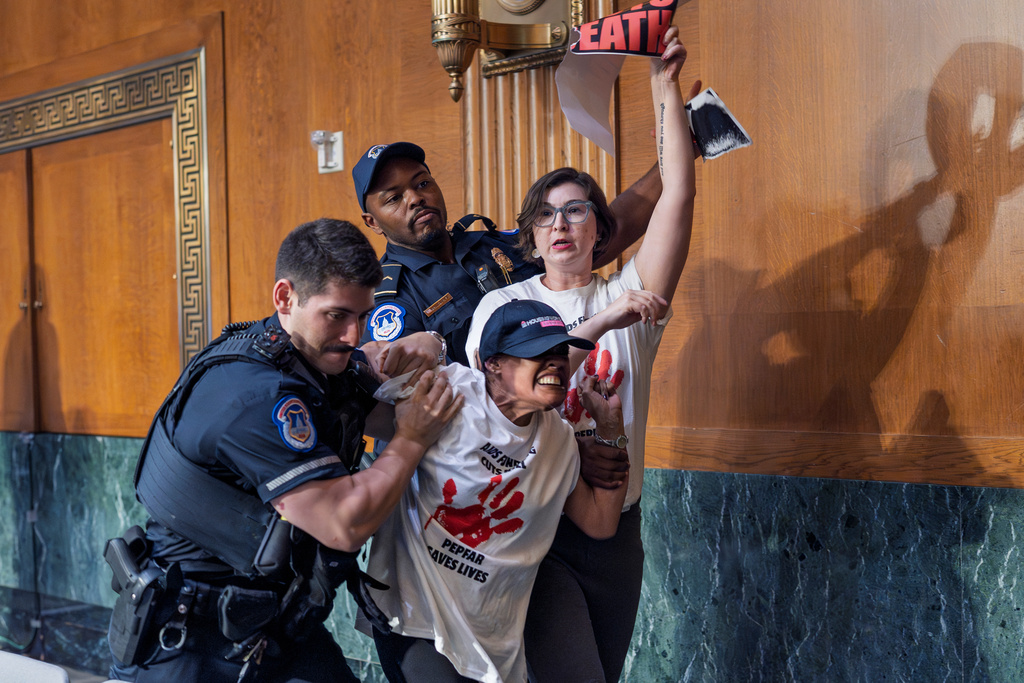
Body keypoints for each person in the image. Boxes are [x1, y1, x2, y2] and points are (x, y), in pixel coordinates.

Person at [104, 218, 463, 683]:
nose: (354, 336)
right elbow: (343, 523)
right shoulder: (254, 393)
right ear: (284, 298)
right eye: (336, 315)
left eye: (361, 316)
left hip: (273, 626)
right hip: (191, 643)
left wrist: (430, 345)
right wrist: (411, 440)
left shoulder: (308, 360)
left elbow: (391, 408)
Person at [464, 26, 699, 683]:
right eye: (546, 214)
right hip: (535, 528)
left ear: (601, 228)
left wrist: (664, 85)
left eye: (576, 211)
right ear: (531, 236)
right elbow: (502, 406)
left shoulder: (633, 296)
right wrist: (602, 321)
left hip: (616, 526)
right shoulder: (501, 308)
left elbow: (677, 196)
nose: (561, 223)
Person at [365, 299, 629, 683]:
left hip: (496, 642)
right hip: (417, 619)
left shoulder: (559, 438)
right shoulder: (447, 390)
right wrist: (425, 342)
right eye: (538, 352)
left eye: (559, 352)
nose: (556, 361)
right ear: (492, 363)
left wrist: (609, 428)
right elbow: (358, 381)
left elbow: (600, 522)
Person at [353, 142, 662, 366]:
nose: (416, 198)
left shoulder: (493, 246)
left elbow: (595, 235)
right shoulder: (391, 301)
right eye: (393, 198)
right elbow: (411, 398)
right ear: (372, 222)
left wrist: (673, 154)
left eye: (422, 183)